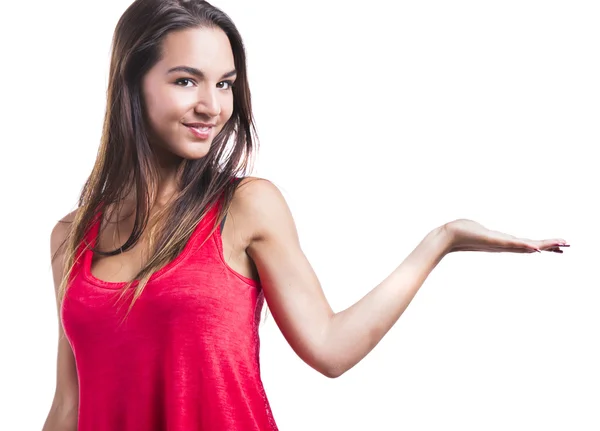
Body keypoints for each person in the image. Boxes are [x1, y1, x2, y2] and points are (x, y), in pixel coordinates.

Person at [42, 0, 570, 430]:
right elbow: (69, 408)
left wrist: (441, 240)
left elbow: (330, 348)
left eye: (224, 83)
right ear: (131, 83)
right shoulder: (71, 236)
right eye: (186, 81)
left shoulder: (245, 206)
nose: (212, 106)